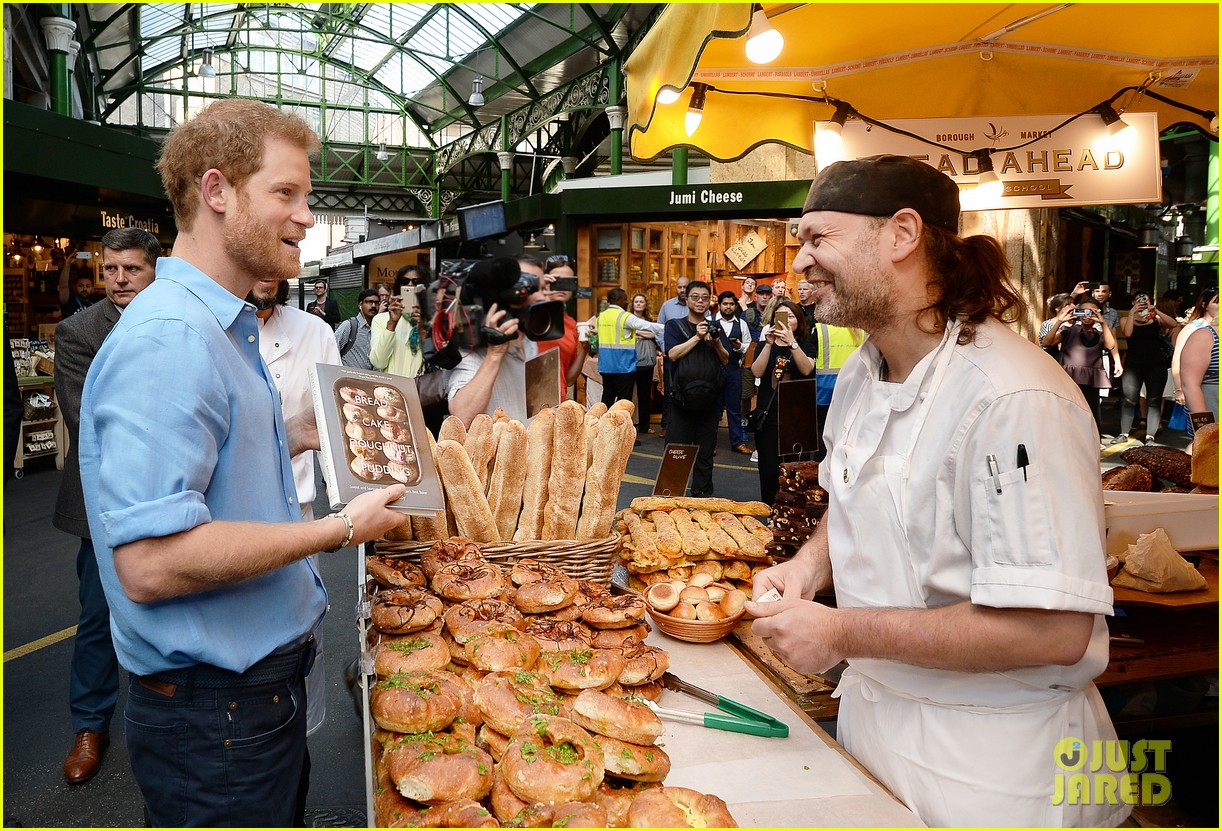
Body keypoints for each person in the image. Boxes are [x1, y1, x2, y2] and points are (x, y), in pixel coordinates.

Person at [746, 155, 1126, 828]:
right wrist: (808, 565)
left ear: (901, 234)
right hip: (876, 734)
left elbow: (1053, 628)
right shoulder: (865, 373)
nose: (798, 262)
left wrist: (838, 629)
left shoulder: (1014, 398)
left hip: (996, 772)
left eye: (817, 238)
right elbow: (857, 494)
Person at [76, 98, 406, 826]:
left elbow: (205, 463)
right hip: (215, 716)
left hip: (243, 701)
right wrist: (338, 527)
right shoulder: (173, 337)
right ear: (217, 192)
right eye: (286, 193)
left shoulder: (217, 326)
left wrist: (286, 433)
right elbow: (151, 561)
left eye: (306, 196)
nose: (307, 217)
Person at [53, 227, 160, 784]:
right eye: (111, 269)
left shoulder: (175, 322)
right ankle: (89, 725)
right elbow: (85, 420)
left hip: (171, 494)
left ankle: (164, 723)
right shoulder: (77, 332)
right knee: (98, 616)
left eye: (132, 270)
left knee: (166, 608)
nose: (118, 280)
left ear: (154, 271)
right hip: (101, 500)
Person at [444, 257, 543, 425]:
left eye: (543, 287)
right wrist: (495, 355)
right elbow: (462, 418)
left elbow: (537, 404)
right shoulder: (471, 350)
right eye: (530, 286)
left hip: (525, 447)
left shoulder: (529, 341)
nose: (542, 296)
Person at [664, 281, 728, 497]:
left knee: (705, 454)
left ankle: (702, 496)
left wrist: (716, 342)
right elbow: (672, 354)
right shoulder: (674, 325)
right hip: (680, 401)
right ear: (687, 299)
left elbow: (726, 359)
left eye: (704, 297)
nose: (700, 301)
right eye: (695, 297)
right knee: (677, 451)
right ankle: (670, 497)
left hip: (710, 402)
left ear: (710, 300)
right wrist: (697, 337)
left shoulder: (716, 327)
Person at [750, 298, 814, 504]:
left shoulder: (805, 342)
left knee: (795, 469)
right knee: (769, 469)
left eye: (792, 316)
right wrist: (769, 345)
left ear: (799, 320)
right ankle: (770, 510)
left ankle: (793, 513)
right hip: (769, 415)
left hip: (797, 417)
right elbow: (756, 371)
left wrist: (792, 343)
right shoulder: (764, 343)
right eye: (782, 316)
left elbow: (806, 368)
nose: (787, 320)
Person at [1044, 294, 1122, 442]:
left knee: (1091, 411)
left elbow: (1110, 345)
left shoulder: (1099, 334)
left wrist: (1103, 323)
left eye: (1091, 312)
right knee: (1068, 411)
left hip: (1091, 379)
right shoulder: (1068, 331)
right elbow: (1048, 342)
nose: (1087, 316)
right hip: (1070, 377)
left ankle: (1091, 441)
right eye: (1084, 312)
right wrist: (1060, 321)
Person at [1117, 292, 1178, 444]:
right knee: (1129, 399)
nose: (1143, 303)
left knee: (1154, 400)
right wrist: (1133, 314)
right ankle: (1124, 433)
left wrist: (1155, 311)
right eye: (1139, 300)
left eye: (1146, 300)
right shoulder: (1126, 318)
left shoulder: (1155, 318)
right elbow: (1127, 333)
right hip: (1133, 364)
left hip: (1156, 364)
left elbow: (1173, 324)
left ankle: (1150, 435)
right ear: (1133, 302)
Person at [596, 287, 664, 411]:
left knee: (607, 398)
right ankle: (620, 427)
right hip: (623, 366)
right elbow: (647, 326)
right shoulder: (625, 316)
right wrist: (669, 327)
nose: (627, 302)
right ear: (617, 299)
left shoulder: (602, 316)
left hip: (606, 366)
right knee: (623, 402)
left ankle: (603, 427)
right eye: (625, 299)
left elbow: (595, 332)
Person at [536, 255, 589, 397]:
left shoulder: (571, 324)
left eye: (567, 282)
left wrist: (585, 349)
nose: (561, 287)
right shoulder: (529, 313)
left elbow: (569, 379)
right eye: (556, 281)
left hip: (556, 404)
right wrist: (537, 288)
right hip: (524, 404)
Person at [810, 319, 863, 458]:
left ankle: (822, 468)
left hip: (825, 388)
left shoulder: (821, 329)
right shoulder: (861, 329)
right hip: (853, 388)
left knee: (823, 432)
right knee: (849, 432)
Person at [370, 264, 427, 378]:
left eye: (416, 282)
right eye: (404, 281)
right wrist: (392, 323)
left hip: (420, 390)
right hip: (391, 390)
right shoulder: (381, 319)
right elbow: (378, 362)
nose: (410, 285)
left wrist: (422, 327)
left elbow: (439, 360)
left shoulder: (432, 320)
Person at [714, 290, 752, 455]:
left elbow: (749, 345)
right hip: (714, 370)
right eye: (725, 304)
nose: (728, 307)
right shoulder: (710, 321)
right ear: (720, 305)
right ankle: (710, 443)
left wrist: (740, 347)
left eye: (731, 304)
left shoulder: (742, 324)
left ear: (735, 306)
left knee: (734, 407)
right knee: (713, 408)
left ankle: (737, 442)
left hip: (734, 370)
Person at [1174, 287, 1219, 420]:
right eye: (1217, 301)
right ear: (1204, 305)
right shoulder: (1199, 332)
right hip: (1211, 404)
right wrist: (1179, 389)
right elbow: (1178, 359)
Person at [740, 282, 772, 435]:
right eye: (762, 294)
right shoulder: (747, 314)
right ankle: (744, 423)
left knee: (765, 392)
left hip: (767, 352)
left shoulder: (775, 314)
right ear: (756, 296)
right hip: (750, 354)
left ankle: (762, 422)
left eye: (767, 294)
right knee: (746, 394)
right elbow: (741, 334)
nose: (764, 297)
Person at [630, 293, 659, 434]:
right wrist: (644, 333)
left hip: (646, 362)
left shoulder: (649, 319)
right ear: (633, 304)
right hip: (630, 361)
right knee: (628, 395)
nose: (639, 304)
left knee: (644, 395)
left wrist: (637, 333)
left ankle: (644, 426)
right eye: (637, 301)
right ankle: (628, 424)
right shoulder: (627, 319)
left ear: (645, 304)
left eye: (641, 301)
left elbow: (655, 334)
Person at [334, 288, 380, 370]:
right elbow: (332, 350)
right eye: (369, 302)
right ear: (360, 305)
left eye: (376, 303)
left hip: (371, 380)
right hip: (348, 379)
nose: (373, 305)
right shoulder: (349, 325)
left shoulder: (379, 329)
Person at [1038, 292, 1074, 362]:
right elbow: (1045, 345)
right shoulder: (1047, 324)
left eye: (1073, 303)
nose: (1073, 306)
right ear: (1057, 308)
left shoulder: (1077, 324)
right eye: (1068, 305)